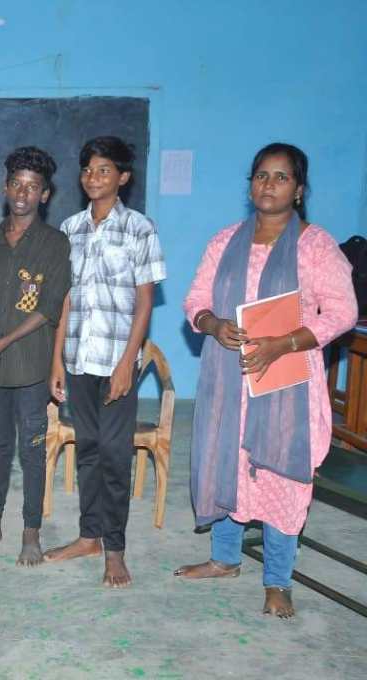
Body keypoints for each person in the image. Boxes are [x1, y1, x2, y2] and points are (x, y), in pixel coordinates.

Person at [174, 143, 357, 618]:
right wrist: (213, 324)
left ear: (298, 190)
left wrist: (285, 343)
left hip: (287, 382)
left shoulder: (316, 246)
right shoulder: (224, 241)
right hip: (228, 378)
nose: (268, 185)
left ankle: (278, 580)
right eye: (260, 176)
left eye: (281, 177)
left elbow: (342, 312)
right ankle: (225, 558)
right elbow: (195, 299)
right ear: (250, 184)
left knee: (281, 474)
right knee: (225, 461)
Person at [45, 136, 166, 587]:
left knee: (115, 456)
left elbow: (145, 302)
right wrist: (57, 360)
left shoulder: (140, 228)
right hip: (78, 360)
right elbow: (65, 301)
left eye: (104, 170)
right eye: (87, 170)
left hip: (116, 361)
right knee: (89, 451)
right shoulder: (70, 229)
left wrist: (127, 363)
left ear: (123, 177)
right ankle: (88, 536)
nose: (93, 178)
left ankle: (114, 549)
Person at [0, 147, 71, 566]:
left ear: (44, 194)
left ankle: (31, 532)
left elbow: (49, 307)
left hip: (31, 365)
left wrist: (3, 342)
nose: (23, 193)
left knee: (32, 450)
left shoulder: (55, 243)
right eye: (17, 185)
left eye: (33, 187)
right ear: (5, 188)